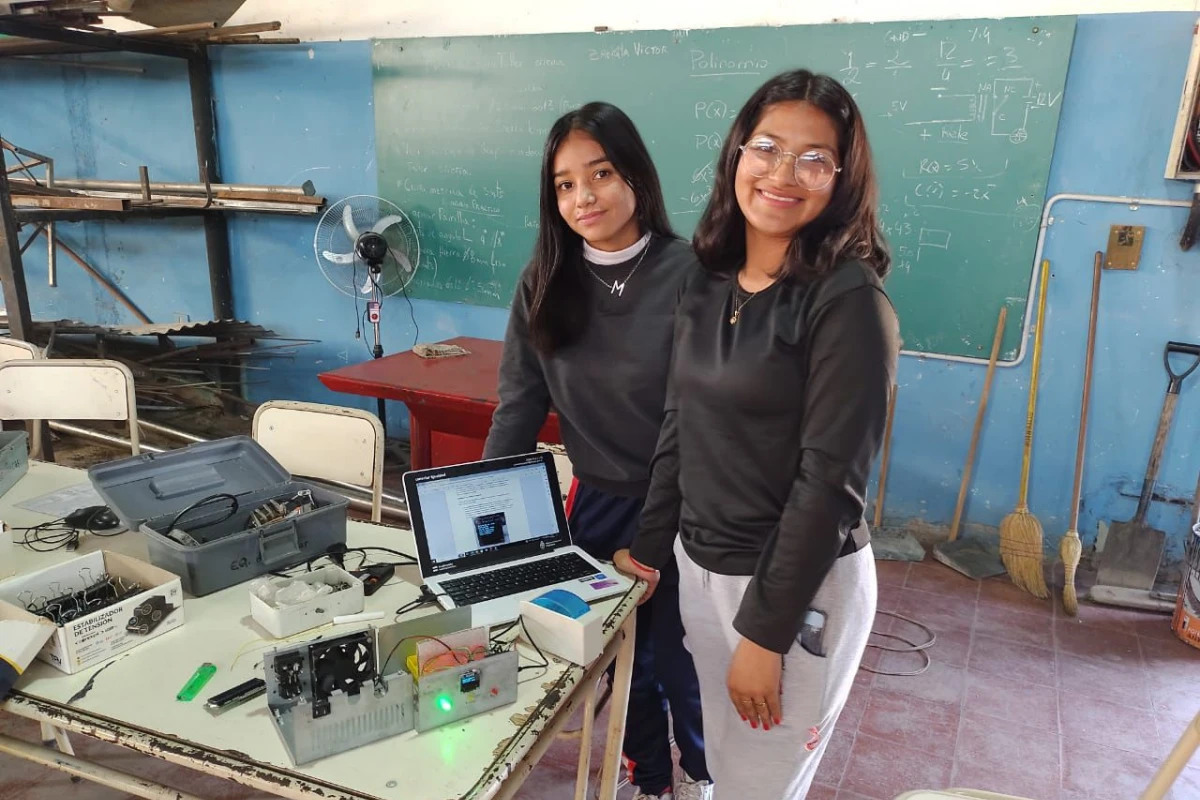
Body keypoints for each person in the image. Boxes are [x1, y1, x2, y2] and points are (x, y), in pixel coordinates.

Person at [614, 69, 900, 798]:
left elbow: (830, 486)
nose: (783, 173)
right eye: (766, 147)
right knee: (728, 766)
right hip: (700, 566)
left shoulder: (848, 301)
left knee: (757, 787)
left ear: (842, 179)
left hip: (796, 589)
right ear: (736, 154)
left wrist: (766, 634)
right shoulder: (706, 281)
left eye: (814, 159)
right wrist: (650, 548)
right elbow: (682, 420)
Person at [482, 101, 711, 800]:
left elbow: (689, 416)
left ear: (635, 176)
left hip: (691, 506)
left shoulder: (693, 275)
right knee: (621, 657)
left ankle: (705, 773)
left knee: (683, 659)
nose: (584, 196)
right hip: (601, 501)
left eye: (601, 174)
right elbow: (520, 401)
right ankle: (649, 779)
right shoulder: (545, 278)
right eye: (565, 184)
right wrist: (480, 504)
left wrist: (653, 536)